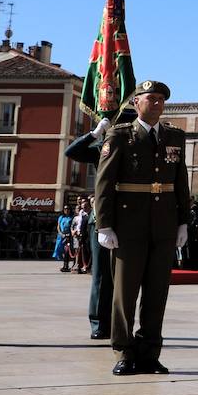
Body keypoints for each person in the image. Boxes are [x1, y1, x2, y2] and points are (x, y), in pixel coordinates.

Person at [94, 81, 191, 375]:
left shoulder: (174, 136)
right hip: (128, 225)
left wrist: (183, 220)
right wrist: (105, 224)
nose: (158, 104)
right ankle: (124, 351)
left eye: (162, 99)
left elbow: (180, 182)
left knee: (156, 292)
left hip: (163, 224)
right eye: (152, 98)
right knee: (125, 293)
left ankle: (150, 352)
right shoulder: (121, 135)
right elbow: (104, 183)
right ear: (137, 103)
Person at [65, 111, 136, 340]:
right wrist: (94, 133)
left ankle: (121, 324)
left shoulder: (138, 147)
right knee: (102, 276)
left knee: (127, 278)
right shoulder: (103, 147)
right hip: (103, 219)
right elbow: (72, 152)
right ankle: (98, 323)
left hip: (131, 218)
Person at [55, 205, 75, 272]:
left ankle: (66, 265)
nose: (67, 210)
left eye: (68, 209)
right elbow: (58, 226)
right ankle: (64, 264)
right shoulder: (61, 217)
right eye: (65, 209)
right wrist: (60, 233)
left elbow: (72, 226)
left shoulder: (72, 217)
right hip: (61, 236)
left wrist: (68, 235)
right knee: (60, 250)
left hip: (68, 236)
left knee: (67, 251)